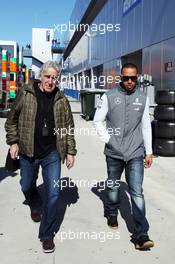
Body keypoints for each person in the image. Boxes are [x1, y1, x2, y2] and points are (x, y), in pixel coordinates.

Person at [5, 61, 77, 253]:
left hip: (52, 153)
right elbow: (11, 120)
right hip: (28, 151)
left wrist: (70, 151)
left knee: (53, 193)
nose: (50, 81)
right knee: (26, 185)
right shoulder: (26, 93)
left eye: (54, 78)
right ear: (40, 76)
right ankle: (34, 202)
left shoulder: (62, 100)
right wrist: (13, 142)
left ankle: (46, 235)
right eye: (47, 76)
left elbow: (69, 128)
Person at [93, 63, 154, 250]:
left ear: (137, 78)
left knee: (136, 191)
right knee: (112, 187)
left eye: (133, 78)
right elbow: (97, 121)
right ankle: (111, 212)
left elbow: (145, 125)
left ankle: (141, 234)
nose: (129, 81)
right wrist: (110, 140)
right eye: (126, 77)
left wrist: (149, 151)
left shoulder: (142, 98)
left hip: (135, 152)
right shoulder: (108, 97)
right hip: (114, 153)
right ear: (121, 77)